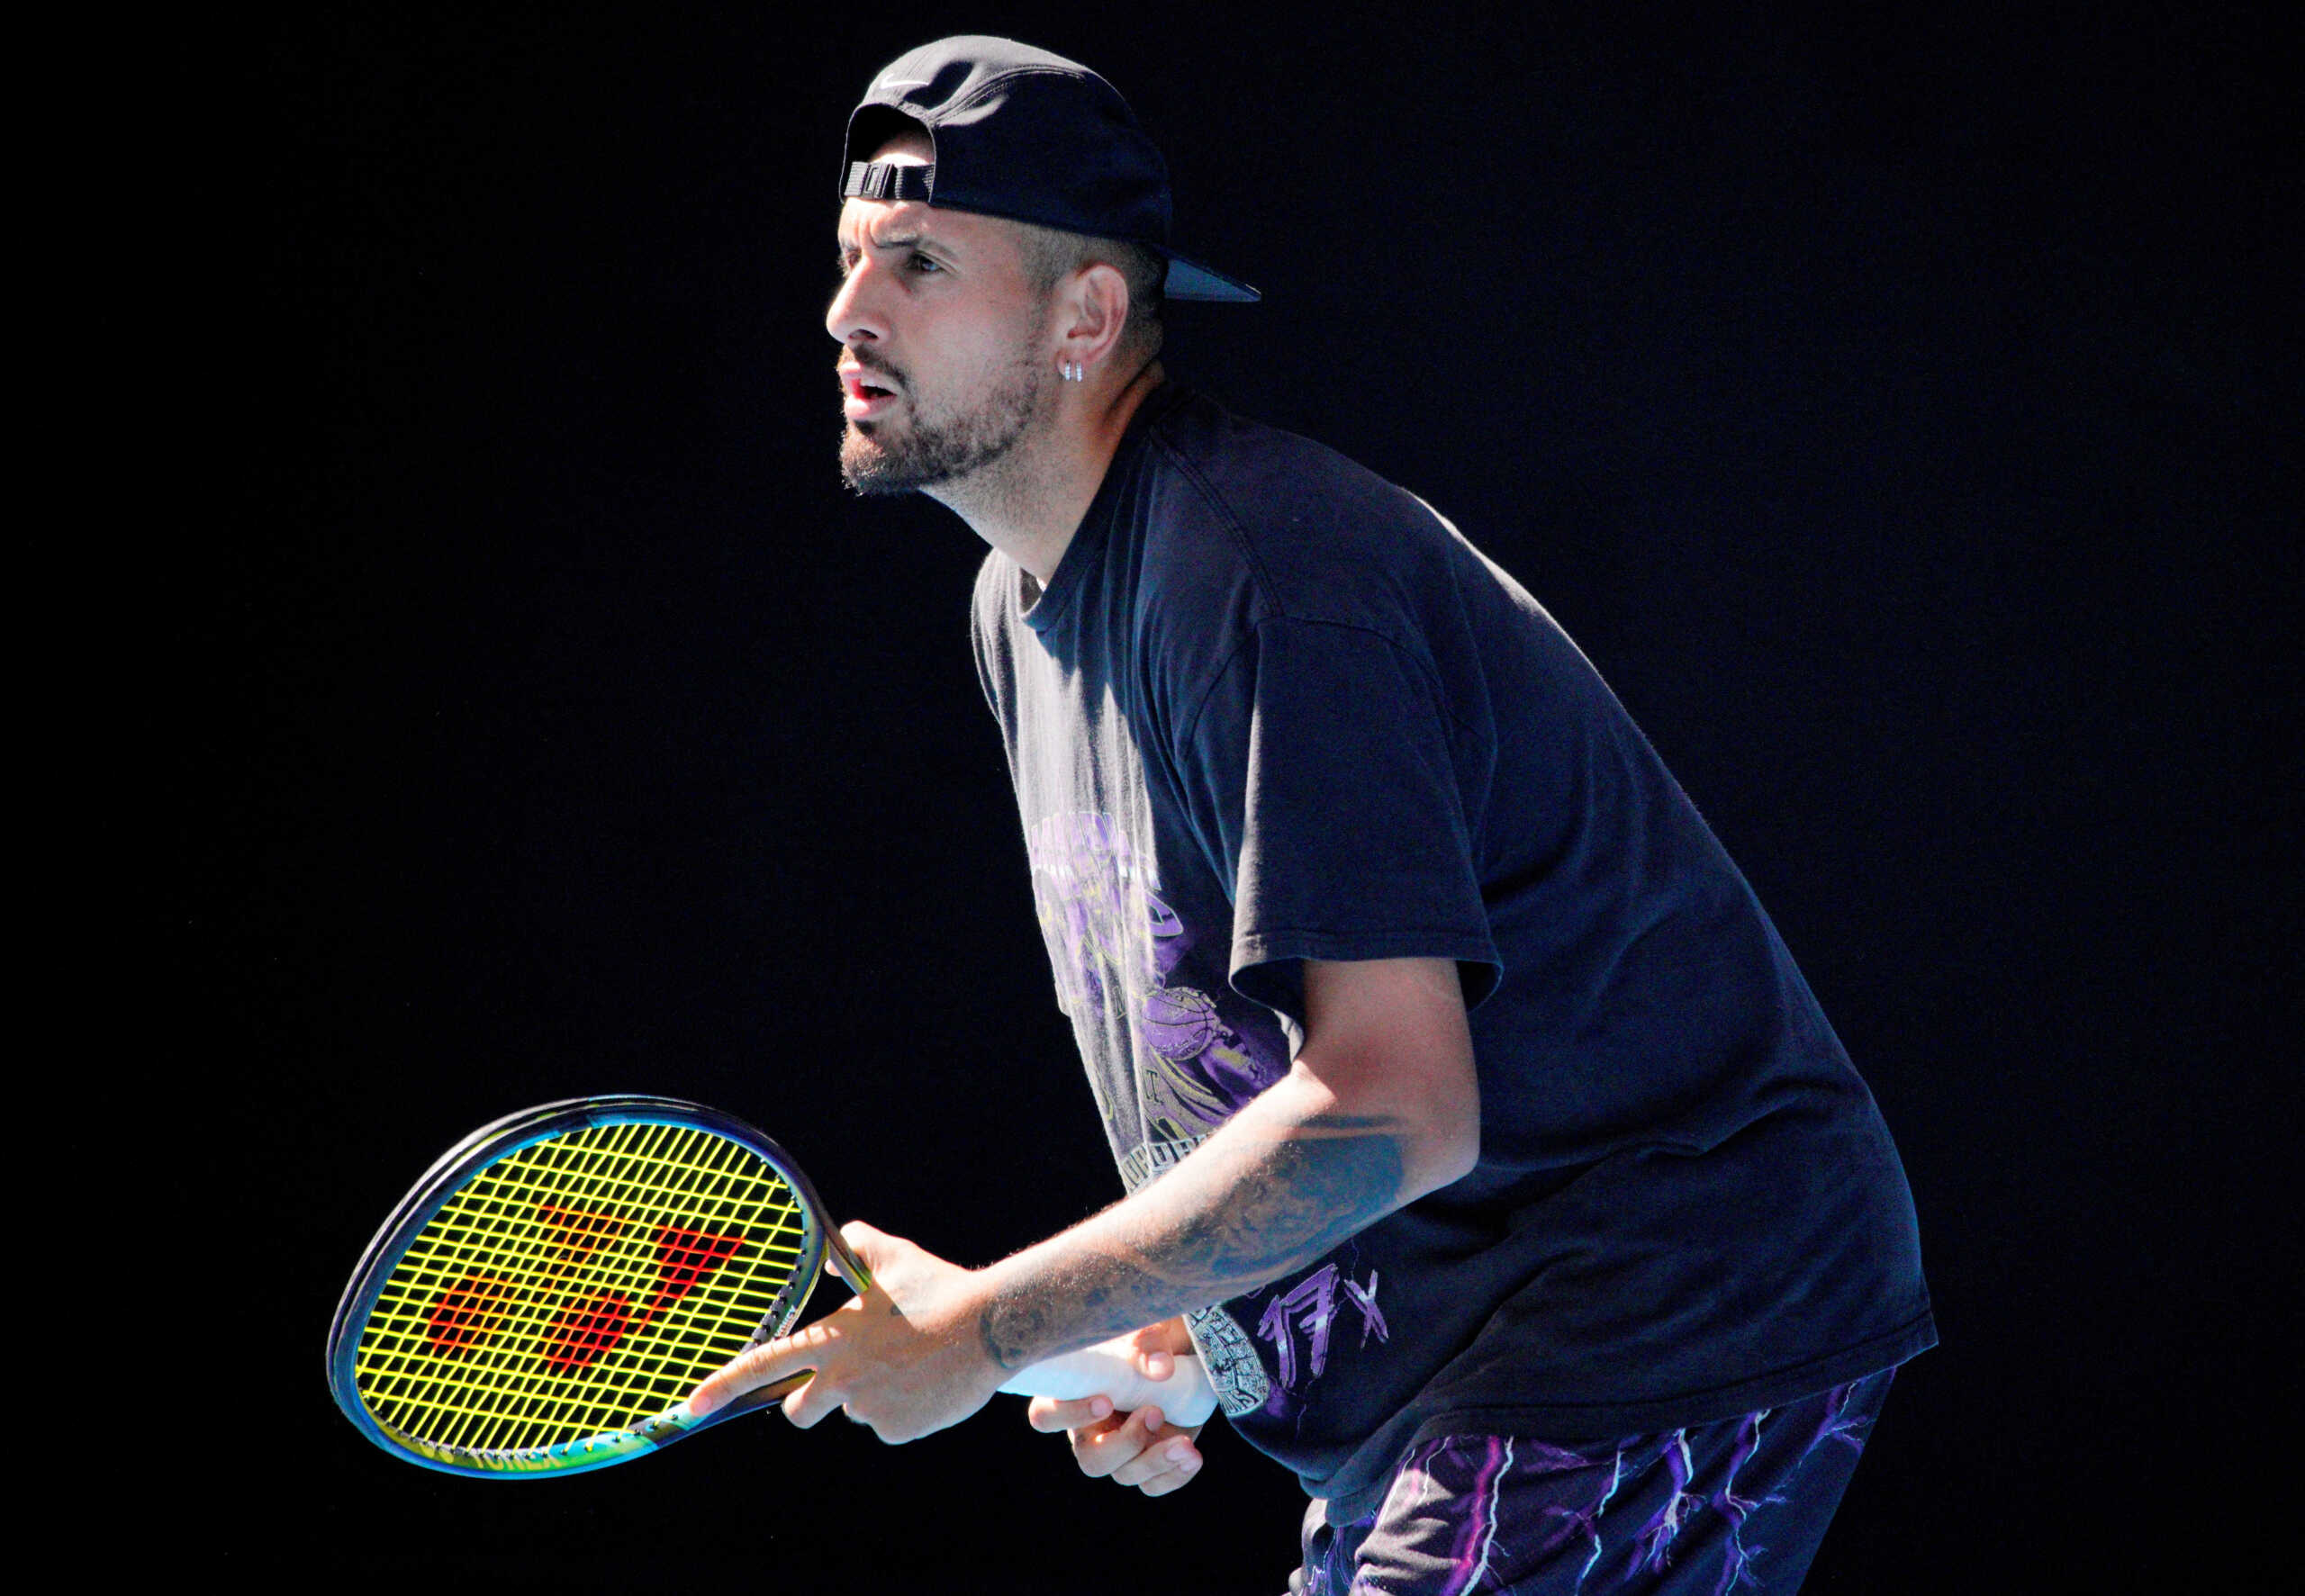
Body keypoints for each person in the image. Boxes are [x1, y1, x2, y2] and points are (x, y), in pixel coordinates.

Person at [692, 36, 1935, 1592]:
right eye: (849, 258)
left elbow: (1397, 1105)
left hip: (1658, 1300)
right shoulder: (1018, 610)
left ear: (1086, 319)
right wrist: (1191, 1332)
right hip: (1460, 1368)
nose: (847, 312)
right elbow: (1250, 1066)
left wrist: (993, 1326)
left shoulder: (1263, 571)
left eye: (920, 264)